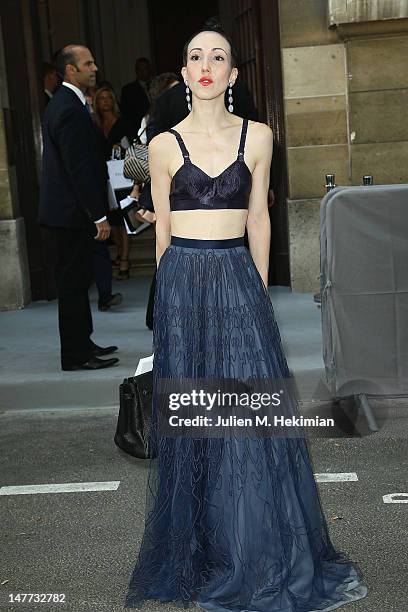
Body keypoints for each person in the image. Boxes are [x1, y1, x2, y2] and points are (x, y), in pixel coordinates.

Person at [124, 27, 368, 611]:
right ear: (184, 75)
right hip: (183, 283)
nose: (206, 65)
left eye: (218, 57)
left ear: (233, 75)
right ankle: (207, 548)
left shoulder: (259, 138)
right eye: (195, 57)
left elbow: (258, 219)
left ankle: (254, 548)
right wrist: (168, 306)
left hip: (237, 281)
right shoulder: (160, 147)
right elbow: (161, 233)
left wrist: (257, 291)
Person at [39, 44, 119, 371]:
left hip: (69, 214)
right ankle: (75, 355)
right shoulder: (68, 107)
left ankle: (83, 344)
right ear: (70, 70)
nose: (95, 68)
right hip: (71, 215)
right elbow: (78, 168)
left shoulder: (70, 101)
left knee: (78, 281)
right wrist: (97, 214)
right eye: (88, 63)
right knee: (72, 286)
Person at [93, 86, 137, 280]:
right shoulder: (95, 125)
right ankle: (120, 252)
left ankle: (125, 259)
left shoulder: (124, 122)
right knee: (113, 220)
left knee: (124, 219)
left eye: (107, 98)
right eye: (101, 99)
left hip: (122, 176)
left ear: (113, 101)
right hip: (103, 177)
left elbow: (135, 146)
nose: (105, 102)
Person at [120, 57, 152, 136]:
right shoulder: (128, 90)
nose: (142, 72)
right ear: (136, 71)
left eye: (145, 68)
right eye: (139, 69)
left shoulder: (157, 85)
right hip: (138, 131)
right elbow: (126, 114)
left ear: (149, 70)